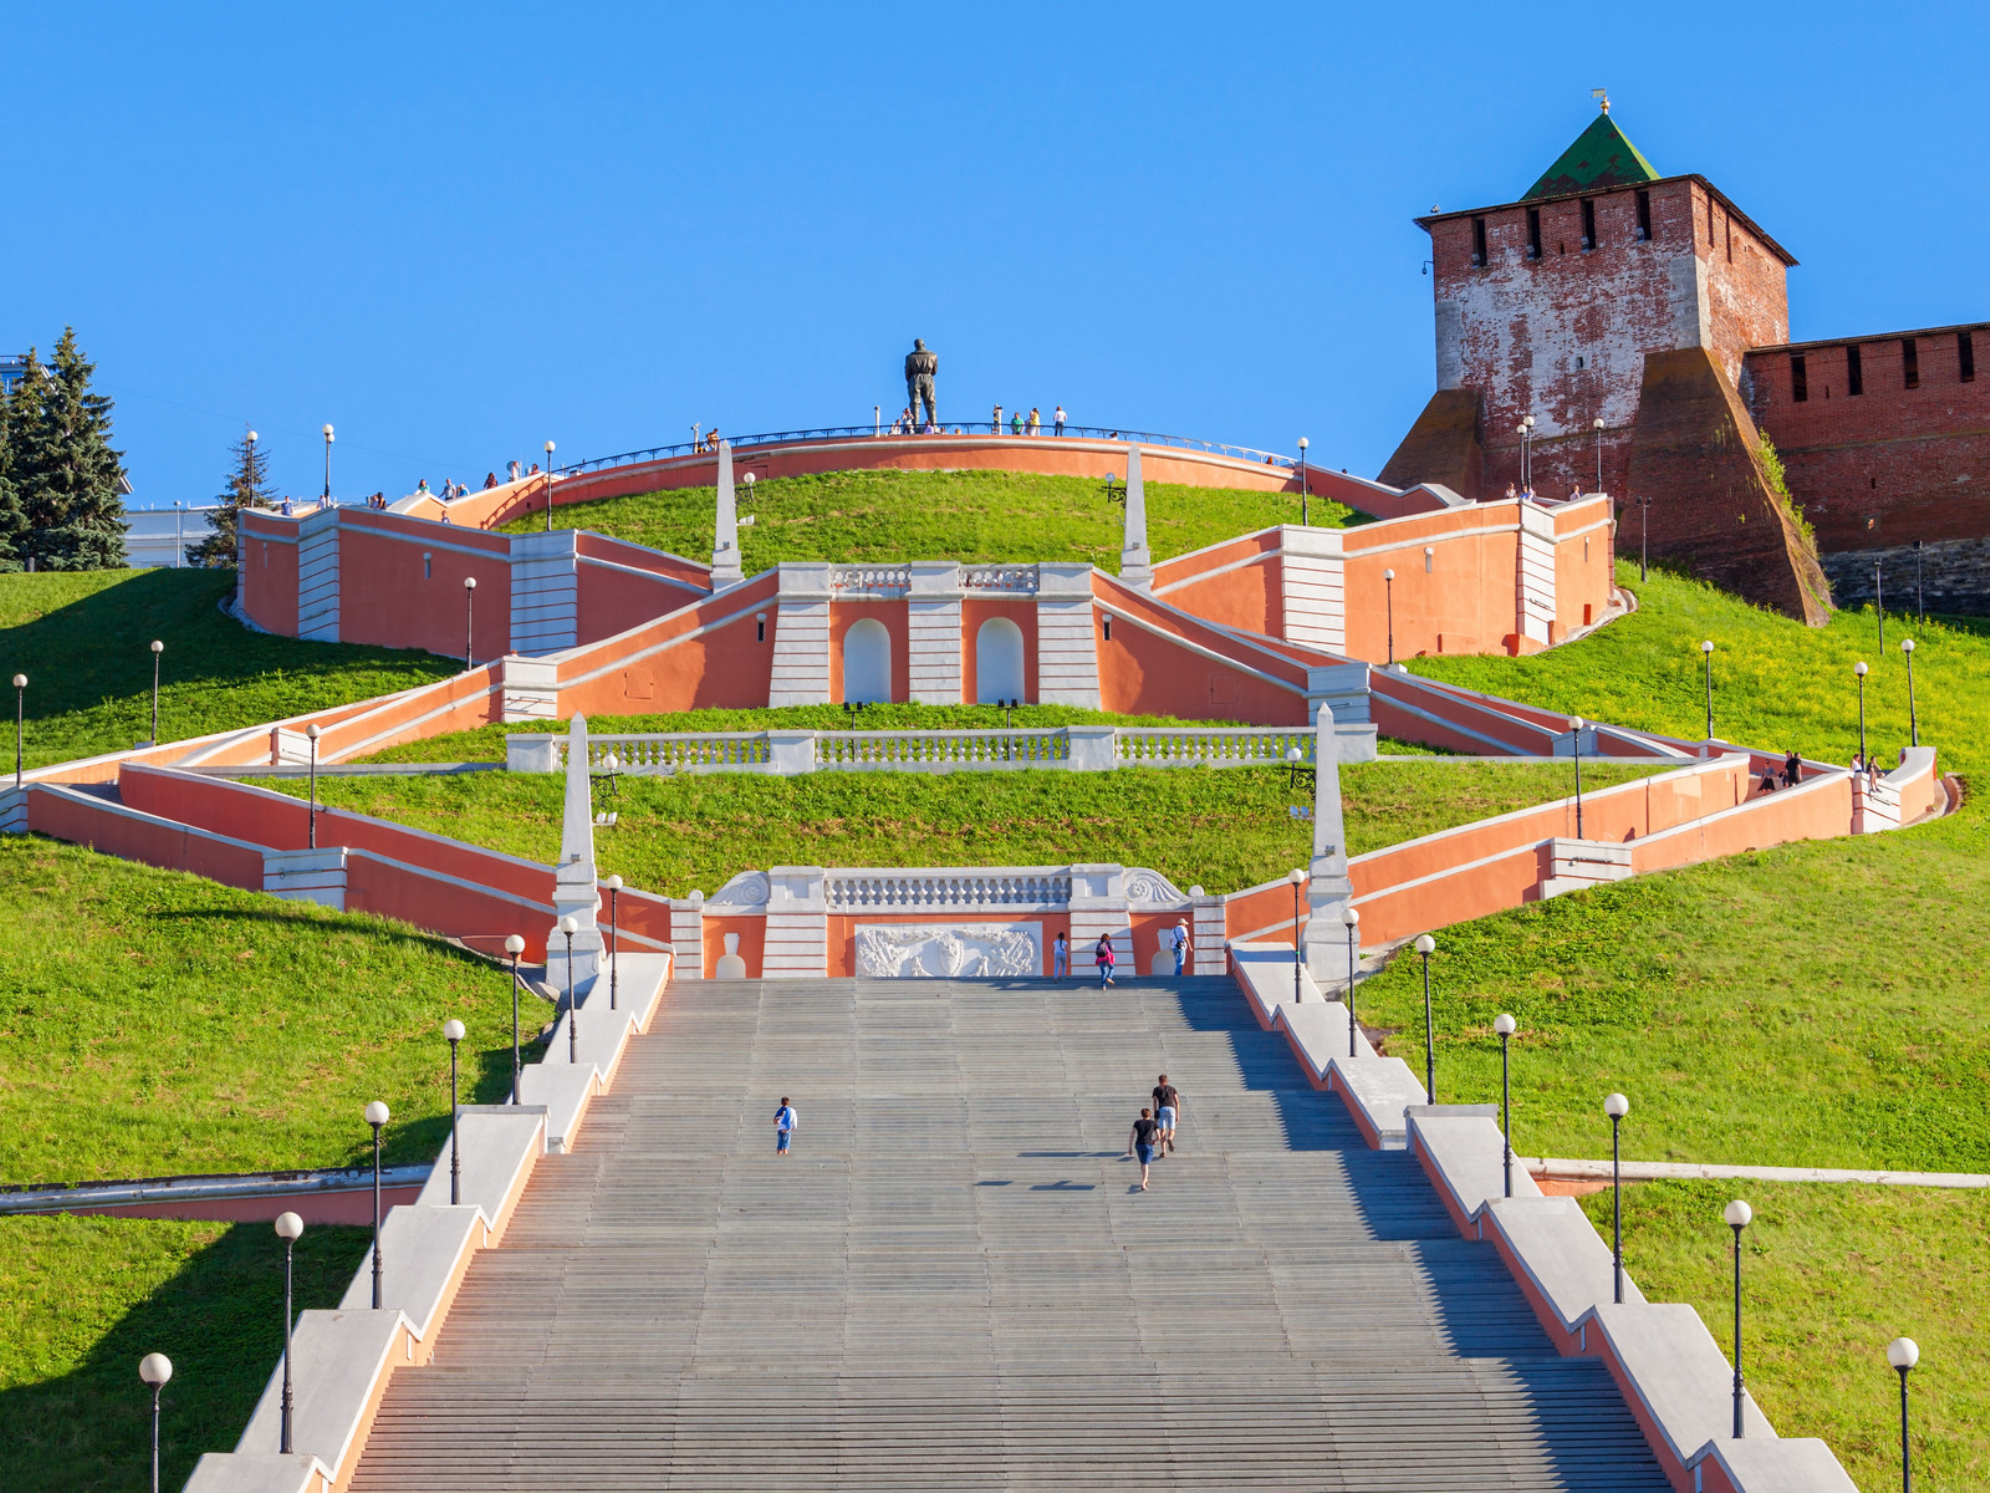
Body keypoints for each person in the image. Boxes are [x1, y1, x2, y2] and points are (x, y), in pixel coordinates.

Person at [1127, 1107, 1159, 1191]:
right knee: (1146, 1164)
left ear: (1142, 1114)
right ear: (1150, 1114)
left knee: (1142, 1163)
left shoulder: (1137, 1123)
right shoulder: (1153, 1123)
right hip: (1148, 1145)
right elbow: (1159, 1136)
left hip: (1139, 1144)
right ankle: (1144, 1183)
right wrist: (1154, 1140)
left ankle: (1145, 1179)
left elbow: (1132, 1134)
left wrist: (1130, 1147)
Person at [1152, 1075, 1181, 1155]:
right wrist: (1178, 1114)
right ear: (1166, 1081)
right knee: (1172, 1129)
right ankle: (1170, 1139)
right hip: (1171, 1109)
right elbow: (1177, 1102)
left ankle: (1164, 1151)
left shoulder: (1156, 1089)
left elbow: (1154, 1101)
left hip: (1162, 1109)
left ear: (1159, 1081)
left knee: (1162, 1131)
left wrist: (1155, 1114)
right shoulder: (1172, 1089)